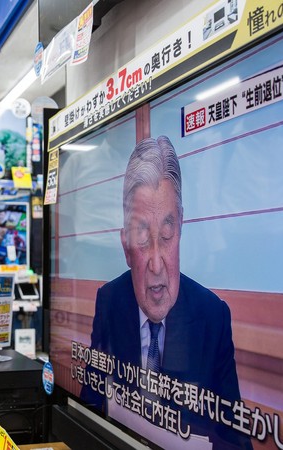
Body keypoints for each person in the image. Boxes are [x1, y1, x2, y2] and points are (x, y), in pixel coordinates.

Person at [80, 136, 250, 449]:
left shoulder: (213, 316)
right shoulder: (110, 301)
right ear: (126, 246)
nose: (157, 264)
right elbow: (88, 409)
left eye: (167, 235)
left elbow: (235, 440)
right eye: (143, 239)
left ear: (181, 226)